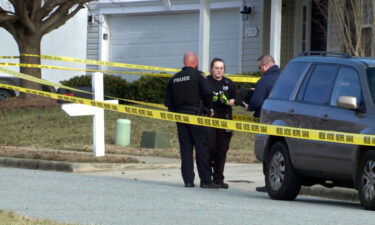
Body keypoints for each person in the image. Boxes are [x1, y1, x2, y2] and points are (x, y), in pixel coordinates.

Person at [164, 52, 218, 189]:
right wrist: (209, 107)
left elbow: (168, 102)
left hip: (180, 118)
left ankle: (188, 180)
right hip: (197, 116)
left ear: (184, 62)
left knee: (186, 150)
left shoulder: (174, 78)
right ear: (196, 62)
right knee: (202, 149)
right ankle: (205, 180)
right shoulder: (198, 76)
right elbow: (207, 93)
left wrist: (176, 112)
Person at [243, 54, 281, 193]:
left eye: (260, 67)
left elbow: (257, 102)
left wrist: (249, 106)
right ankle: (279, 182)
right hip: (285, 120)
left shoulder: (264, 81)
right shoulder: (285, 77)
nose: (260, 70)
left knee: (267, 151)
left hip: (268, 119)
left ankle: (269, 183)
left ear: (265, 66)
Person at [206, 58, 237, 189]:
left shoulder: (228, 83)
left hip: (225, 120)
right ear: (211, 69)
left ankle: (219, 178)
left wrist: (231, 101)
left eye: (221, 68)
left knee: (222, 150)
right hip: (210, 120)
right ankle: (208, 177)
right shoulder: (206, 82)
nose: (219, 70)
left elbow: (238, 98)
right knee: (210, 148)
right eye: (216, 68)